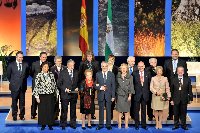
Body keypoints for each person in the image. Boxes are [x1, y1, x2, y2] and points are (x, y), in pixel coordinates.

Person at [164, 49, 188, 120]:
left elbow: (185, 73)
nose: (175, 55)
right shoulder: (167, 62)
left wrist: (185, 82)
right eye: (173, 54)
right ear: (171, 55)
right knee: (171, 98)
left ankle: (180, 115)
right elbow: (165, 73)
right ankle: (171, 115)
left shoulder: (183, 62)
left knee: (179, 98)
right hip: (170, 83)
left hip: (179, 83)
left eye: (176, 54)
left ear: (178, 54)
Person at [33, 61, 56, 130]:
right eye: (45, 67)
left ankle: (50, 124)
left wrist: (56, 94)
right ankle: (43, 125)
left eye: (47, 67)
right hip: (42, 96)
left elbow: (54, 85)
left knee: (50, 110)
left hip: (50, 95)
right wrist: (37, 97)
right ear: (42, 67)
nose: (46, 68)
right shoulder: (39, 75)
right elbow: (36, 86)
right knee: (42, 110)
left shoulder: (51, 75)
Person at [7, 51, 29, 121]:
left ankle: (22, 115)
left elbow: (27, 74)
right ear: (16, 57)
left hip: (22, 87)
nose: (21, 59)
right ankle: (14, 116)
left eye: (22, 57)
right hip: (14, 87)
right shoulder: (11, 65)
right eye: (19, 57)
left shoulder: (26, 64)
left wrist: (22, 81)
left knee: (22, 103)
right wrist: (14, 82)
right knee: (14, 102)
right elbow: (8, 76)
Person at [58, 59, 79, 130]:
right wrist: (65, 89)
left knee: (73, 110)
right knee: (64, 110)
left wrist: (77, 87)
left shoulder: (76, 72)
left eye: (73, 65)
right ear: (67, 65)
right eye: (71, 65)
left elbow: (78, 82)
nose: (72, 66)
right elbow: (59, 84)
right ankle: (63, 123)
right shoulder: (62, 72)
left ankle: (73, 123)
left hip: (74, 94)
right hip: (65, 94)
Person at [79, 50, 99, 119]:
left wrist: (96, 83)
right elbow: (80, 74)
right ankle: (84, 113)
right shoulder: (82, 63)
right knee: (84, 99)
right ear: (86, 57)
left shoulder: (96, 63)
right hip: (84, 84)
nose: (89, 57)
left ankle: (92, 114)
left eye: (90, 56)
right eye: (88, 56)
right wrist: (81, 84)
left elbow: (97, 74)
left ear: (92, 56)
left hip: (92, 84)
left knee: (92, 99)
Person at [171, 66, 193, 130]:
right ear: (177, 72)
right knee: (176, 113)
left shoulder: (188, 79)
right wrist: (172, 100)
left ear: (183, 72)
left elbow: (190, 90)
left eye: (182, 70)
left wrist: (191, 99)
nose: (180, 72)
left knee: (183, 113)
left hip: (184, 99)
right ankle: (176, 125)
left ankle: (184, 125)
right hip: (175, 99)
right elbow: (171, 91)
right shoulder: (173, 79)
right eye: (179, 70)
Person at [95, 61, 115, 130]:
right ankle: (100, 125)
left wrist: (113, 96)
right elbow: (95, 85)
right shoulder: (98, 74)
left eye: (105, 66)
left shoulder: (111, 74)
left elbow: (113, 86)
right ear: (101, 67)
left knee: (109, 111)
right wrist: (100, 87)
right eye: (103, 66)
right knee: (101, 111)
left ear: (107, 67)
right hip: (101, 95)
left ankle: (108, 125)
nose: (104, 67)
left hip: (109, 96)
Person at [133, 61, 151, 130]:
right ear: (137, 67)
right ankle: (136, 125)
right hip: (137, 95)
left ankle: (144, 125)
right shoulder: (134, 74)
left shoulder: (148, 73)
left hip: (145, 95)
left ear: (144, 66)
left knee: (144, 110)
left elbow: (149, 84)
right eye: (139, 66)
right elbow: (132, 84)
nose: (140, 67)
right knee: (136, 111)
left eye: (142, 66)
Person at [116, 63, 134, 129]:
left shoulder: (130, 77)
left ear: (127, 69)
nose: (123, 69)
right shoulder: (118, 76)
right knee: (120, 112)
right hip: (120, 96)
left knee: (126, 112)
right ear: (120, 69)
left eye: (125, 68)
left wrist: (130, 96)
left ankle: (126, 125)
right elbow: (116, 86)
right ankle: (119, 125)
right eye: (122, 68)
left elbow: (131, 87)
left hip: (127, 96)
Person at [30, 52, 48, 119]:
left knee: (43, 100)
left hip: (45, 86)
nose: (44, 58)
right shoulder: (34, 64)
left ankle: (43, 114)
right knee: (34, 100)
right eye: (43, 57)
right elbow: (31, 73)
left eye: (45, 57)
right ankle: (33, 114)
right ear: (40, 57)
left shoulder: (48, 64)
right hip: (36, 85)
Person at [50, 56, 66, 120]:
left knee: (63, 102)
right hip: (55, 88)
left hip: (62, 88)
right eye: (58, 61)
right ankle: (55, 115)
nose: (59, 62)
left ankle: (63, 116)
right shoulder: (51, 69)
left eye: (60, 61)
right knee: (55, 102)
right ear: (55, 61)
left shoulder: (65, 68)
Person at [107, 54, 118, 120]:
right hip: (106, 88)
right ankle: (108, 116)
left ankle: (110, 117)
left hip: (113, 89)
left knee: (112, 104)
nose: (110, 61)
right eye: (110, 59)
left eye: (112, 59)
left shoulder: (116, 68)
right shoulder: (105, 67)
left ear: (114, 60)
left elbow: (117, 79)